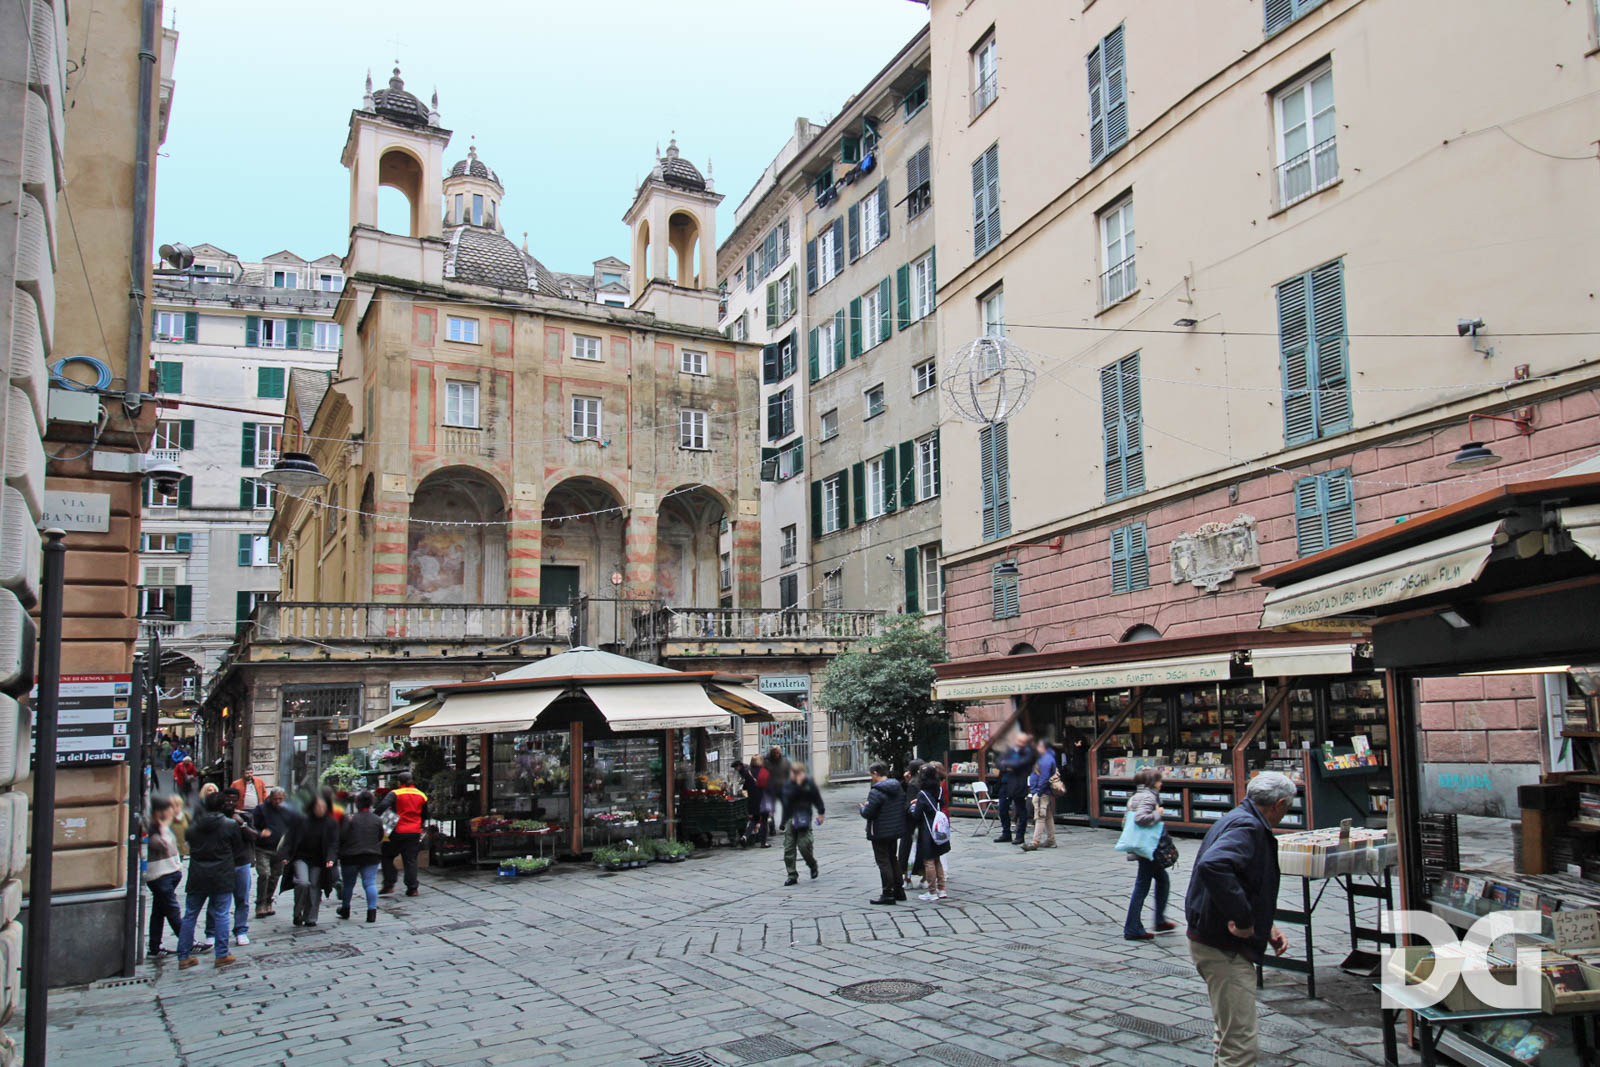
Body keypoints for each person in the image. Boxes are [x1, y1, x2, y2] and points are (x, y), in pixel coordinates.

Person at [1186, 771, 1296, 1067]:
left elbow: (1247, 880)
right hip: (1223, 945)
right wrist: (1244, 920)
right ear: (1279, 804)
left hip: (1210, 937)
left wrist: (1266, 925)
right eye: (1286, 810)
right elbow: (1215, 865)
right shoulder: (1249, 826)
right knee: (1240, 1044)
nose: (1284, 816)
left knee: (1228, 1031)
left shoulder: (1237, 817)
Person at [176, 792, 243, 969]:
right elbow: (238, 849)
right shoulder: (230, 825)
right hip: (221, 875)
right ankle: (221, 954)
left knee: (190, 915)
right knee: (221, 914)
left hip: (198, 875)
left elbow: (189, 846)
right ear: (222, 807)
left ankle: (183, 956)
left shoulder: (193, 827)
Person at [1123, 767, 1177, 941]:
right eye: (1160, 781)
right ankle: (1132, 928)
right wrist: (1157, 813)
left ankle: (1159, 919)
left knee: (1162, 879)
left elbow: (1127, 820)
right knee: (1142, 885)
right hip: (1149, 848)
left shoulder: (1135, 797)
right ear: (1153, 783)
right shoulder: (1148, 796)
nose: (1162, 784)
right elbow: (1140, 818)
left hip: (1144, 846)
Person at [858, 762, 906, 906]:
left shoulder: (876, 792)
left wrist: (862, 808)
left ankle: (888, 893)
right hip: (894, 829)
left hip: (879, 831)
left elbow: (868, 813)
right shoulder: (898, 787)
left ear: (875, 774)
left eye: (871, 774)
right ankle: (899, 890)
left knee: (883, 862)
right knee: (893, 859)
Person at [288, 791, 338, 926]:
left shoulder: (330, 823)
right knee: (303, 882)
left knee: (315, 886)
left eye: (323, 806)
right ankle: (297, 912)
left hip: (319, 860)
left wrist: (331, 859)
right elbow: (291, 839)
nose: (320, 809)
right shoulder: (303, 821)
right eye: (318, 806)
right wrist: (285, 856)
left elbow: (333, 843)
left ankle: (310, 917)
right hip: (301, 857)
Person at [218, 788, 258, 946]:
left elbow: (255, 836)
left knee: (242, 899)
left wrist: (241, 824)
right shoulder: (217, 818)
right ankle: (213, 932)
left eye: (233, 800)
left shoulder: (244, 816)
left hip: (241, 862)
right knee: (220, 901)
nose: (230, 803)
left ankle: (241, 930)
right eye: (227, 800)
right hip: (222, 864)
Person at [144, 793, 183, 957]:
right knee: (173, 911)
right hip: (160, 877)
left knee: (159, 912)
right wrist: (164, 825)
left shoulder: (163, 827)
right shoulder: (152, 831)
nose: (172, 812)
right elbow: (164, 846)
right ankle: (187, 941)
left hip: (170, 873)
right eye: (168, 809)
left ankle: (155, 947)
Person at [377, 771, 428, 896]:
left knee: (386, 855)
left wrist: (374, 816)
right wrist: (420, 825)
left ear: (399, 783)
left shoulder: (395, 793)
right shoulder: (421, 795)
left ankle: (389, 883)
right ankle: (412, 888)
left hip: (397, 830)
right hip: (414, 831)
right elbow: (425, 814)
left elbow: (383, 805)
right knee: (410, 860)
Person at [337, 790, 384, 922]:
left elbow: (342, 836)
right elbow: (380, 837)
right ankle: (371, 912)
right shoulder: (377, 819)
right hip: (371, 855)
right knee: (370, 883)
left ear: (357, 803)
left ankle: (345, 909)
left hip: (350, 856)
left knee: (348, 885)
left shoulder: (350, 819)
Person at [778, 763, 824, 886]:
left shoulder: (809, 783)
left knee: (804, 845)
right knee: (788, 848)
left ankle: (812, 864)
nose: (795, 775)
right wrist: (782, 822)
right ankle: (792, 874)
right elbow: (787, 800)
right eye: (793, 773)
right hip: (790, 819)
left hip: (804, 817)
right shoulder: (788, 784)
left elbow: (816, 798)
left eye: (797, 773)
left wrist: (821, 813)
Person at [910, 764, 950, 902]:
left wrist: (913, 807)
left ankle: (932, 891)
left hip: (928, 830)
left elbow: (917, 815)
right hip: (939, 828)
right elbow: (940, 803)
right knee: (937, 859)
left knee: (929, 861)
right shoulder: (938, 789)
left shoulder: (922, 794)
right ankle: (942, 889)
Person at [251, 788, 291, 918]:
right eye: (275, 799)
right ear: (270, 798)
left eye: (281, 799)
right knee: (264, 874)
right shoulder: (261, 809)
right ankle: (260, 903)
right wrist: (260, 833)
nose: (278, 802)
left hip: (279, 849)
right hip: (263, 848)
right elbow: (252, 827)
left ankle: (268, 901)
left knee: (275, 876)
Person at [1023, 738, 1058, 851]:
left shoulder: (1045, 760)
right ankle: (1051, 840)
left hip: (1041, 793)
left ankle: (1035, 842)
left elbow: (1044, 777)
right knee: (1047, 816)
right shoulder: (1046, 758)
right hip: (1042, 792)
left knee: (1040, 816)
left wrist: (1038, 792)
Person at [999, 733, 1032, 847]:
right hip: (1005, 783)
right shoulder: (1009, 751)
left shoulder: (1027, 752)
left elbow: (1020, 765)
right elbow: (999, 763)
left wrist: (1010, 765)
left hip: (1018, 784)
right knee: (1002, 809)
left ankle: (1020, 835)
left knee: (1020, 809)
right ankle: (1006, 833)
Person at [897, 759, 925, 890]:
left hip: (911, 824)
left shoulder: (913, 785)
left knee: (908, 853)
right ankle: (924, 877)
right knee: (922, 851)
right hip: (923, 822)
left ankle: (907, 879)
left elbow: (907, 803)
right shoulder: (925, 782)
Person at [734, 759, 769, 848]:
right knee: (764, 820)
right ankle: (763, 842)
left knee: (754, 819)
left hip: (753, 800)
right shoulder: (762, 771)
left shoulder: (747, 772)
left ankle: (745, 836)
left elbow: (746, 787)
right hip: (763, 799)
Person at [170, 793, 192, 859]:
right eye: (172, 806)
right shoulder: (168, 817)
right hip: (171, 848)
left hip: (183, 847)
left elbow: (192, 827)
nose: (175, 808)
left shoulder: (185, 815)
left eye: (177, 806)